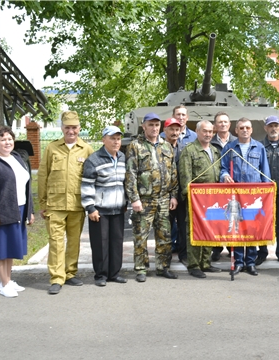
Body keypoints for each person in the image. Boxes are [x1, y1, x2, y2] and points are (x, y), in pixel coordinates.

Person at [38, 111, 94, 295]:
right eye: (67, 127)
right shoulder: (52, 148)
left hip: (77, 204)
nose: (71, 131)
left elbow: (93, 178)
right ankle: (56, 277)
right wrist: (42, 203)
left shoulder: (86, 149)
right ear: (62, 128)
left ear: (79, 129)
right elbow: (43, 175)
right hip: (55, 204)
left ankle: (70, 273)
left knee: (74, 242)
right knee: (55, 242)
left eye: (74, 127)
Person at [0, 126, 35, 298]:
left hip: (19, 209)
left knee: (10, 249)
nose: (7, 142)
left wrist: (29, 211)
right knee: (0, 250)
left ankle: (9, 280)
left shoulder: (17, 158)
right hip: (0, 212)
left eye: (10, 139)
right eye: (3, 139)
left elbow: (27, 185)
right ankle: (3, 284)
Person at [125, 112, 179, 282]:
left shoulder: (166, 146)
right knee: (141, 236)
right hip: (144, 199)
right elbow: (131, 174)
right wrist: (134, 199)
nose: (154, 128)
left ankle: (163, 267)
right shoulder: (135, 146)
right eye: (151, 125)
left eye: (157, 125)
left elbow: (173, 173)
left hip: (163, 199)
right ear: (144, 126)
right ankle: (141, 269)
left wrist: (173, 196)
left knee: (164, 236)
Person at [220, 118, 271, 276]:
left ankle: (250, 262)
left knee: (251, 229)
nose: (244, 130)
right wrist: (225, 175)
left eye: (247, 127)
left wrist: (266, 192)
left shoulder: (259, 147)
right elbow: (222, 168)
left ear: (251, 130)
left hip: (253, 196)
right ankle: (239, 262)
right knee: (237, 228)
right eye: (241, 128)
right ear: (236, 130)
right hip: (235, 196)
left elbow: (265, 172)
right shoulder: (229, 148)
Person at [81, 125, 127, 287]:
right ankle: (101, 275)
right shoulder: (93, 160)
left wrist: (125, 201)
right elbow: (87, 186)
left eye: (118, 138)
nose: (116, 142)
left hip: (118, 208)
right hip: (99, 210)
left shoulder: (122, 157)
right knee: (100, 243)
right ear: (103, 140)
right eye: (112, 138)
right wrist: (90, 207)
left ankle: (114, 273)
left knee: (116, 242)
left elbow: (124, 183)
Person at [178, 120, 222, 278]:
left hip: (212, 199)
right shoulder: (189, 150)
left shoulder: (215, 151)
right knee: (195, 232)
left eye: (211, 131)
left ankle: (205, 262)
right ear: (197, 132)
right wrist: (189, 196)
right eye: (205, 131)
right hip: (196, 200)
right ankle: (194, 265)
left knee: (209, 230)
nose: (208, 134)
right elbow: (185, 176)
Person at [256, 115, 279, 267]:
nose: (273, 128)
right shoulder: (258, 146)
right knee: (262, 223)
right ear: (265, 128)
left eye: (275, 125)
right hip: (263, 194)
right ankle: (262, 252)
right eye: (270, 126)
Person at [210, 111, 237, 261]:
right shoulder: (210, 141)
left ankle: (233, 247)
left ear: (230, 124)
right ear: (215, 125)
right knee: (218, 218)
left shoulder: (236, 141)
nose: (223, 124)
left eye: (225, 122)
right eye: (219, 122)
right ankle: (217, 248)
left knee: (233, 217)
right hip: (217, 185)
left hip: (234, 185)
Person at [161, 117, 188, 266]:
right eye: (171, 129)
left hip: (181, 194)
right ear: (165, 131)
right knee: (166, 228)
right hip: (165, 195)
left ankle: (184, 255)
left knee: (183, 226)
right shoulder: (159, 148)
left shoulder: (184, 148)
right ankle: (166, 258)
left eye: (177, 129)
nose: (175, 132)